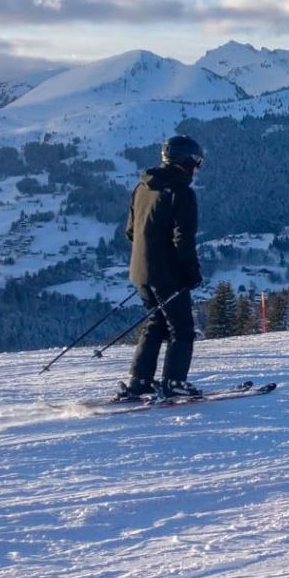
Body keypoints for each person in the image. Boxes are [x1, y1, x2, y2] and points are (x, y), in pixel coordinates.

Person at [116, 135, 205, 400]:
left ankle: (139, 381)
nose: (198, 168)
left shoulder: (142, 187)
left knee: (156, 322)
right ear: (185, 161)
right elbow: (183, 239)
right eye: (197, 161)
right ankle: (174, 382)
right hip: (168, 273)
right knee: (181, 328)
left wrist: (149, 254)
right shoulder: (182, 193)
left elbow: (130, 232)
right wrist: (191, 272)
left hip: (140, 270)